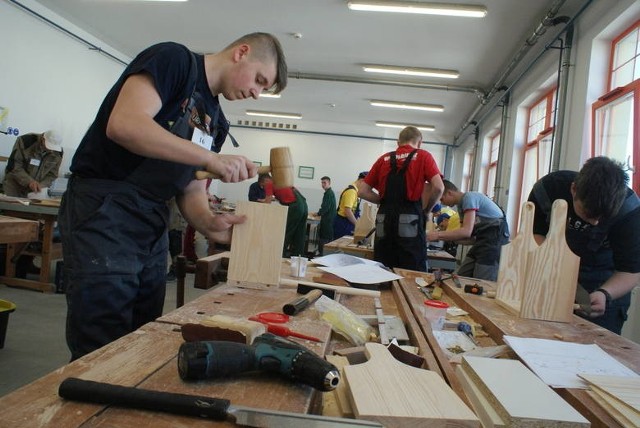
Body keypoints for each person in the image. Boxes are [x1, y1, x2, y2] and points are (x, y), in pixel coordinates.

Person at [58, 32, 287, 360]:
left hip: (152, 218)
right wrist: (209, 158)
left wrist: (209, 222)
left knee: (141, 330)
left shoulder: (216, 123)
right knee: (102, 335)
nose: (256, 92)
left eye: (264, 89)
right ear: (242, 52)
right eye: (260, 79)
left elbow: (190, 186)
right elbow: (125, 124)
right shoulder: (174, 61)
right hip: (104, 208)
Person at [528, 156, 640, 334]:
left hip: (605, 280)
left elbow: (630, 272)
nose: (595, 223)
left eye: (602, 217)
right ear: (573, 189)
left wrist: (605, 294)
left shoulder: (630, 212)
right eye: (588, 214)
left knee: (598, 346)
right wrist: (552, 266)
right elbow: (536, 233)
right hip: (555, 268)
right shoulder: (548, 190)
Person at [359, 126, 444, 272]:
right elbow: (439, 188)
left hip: (383, 219)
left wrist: (384, 200)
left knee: (383, 267)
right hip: (410, 219)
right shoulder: (424, 156)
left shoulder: (383, 159)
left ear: (398, 142)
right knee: (411, 269)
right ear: (420, 142)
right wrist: (427, 211)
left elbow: (362, 191)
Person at [427, 180, 509, 280]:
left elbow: (466, 231)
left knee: (481, 281)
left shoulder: (469, 197)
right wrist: (445, 238)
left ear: (449, 193)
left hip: (494, 240)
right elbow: (469, 238)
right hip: (482, 241)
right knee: (461, 276)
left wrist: (437, 235)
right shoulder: (461, 207)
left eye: (442, 199)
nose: (442, 203)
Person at [3, 130, 63, 197]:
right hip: (14, 185)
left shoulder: (58, 153)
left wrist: (42, 185)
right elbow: (14, 166)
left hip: (34, 190)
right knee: (11, 206)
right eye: (49, 146)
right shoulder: (26, 141)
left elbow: (52, 174)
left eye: (53, 148)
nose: (51, 150)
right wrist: (29, 181)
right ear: (43, 139)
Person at [274, 186, 309, 257]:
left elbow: (266, 202)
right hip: (304, 204)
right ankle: (298, 256)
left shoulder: (268, 183)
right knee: (299, 233)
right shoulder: (286, 183)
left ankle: (279, 254)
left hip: (296, 205)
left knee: (287, 231)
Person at [333, 171, 368, 239]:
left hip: (348, 223)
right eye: (367, 185)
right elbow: (348, 211)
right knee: (341, 247)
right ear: (362, 181)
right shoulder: (351, 192)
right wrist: (358, 225)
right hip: (343, 224)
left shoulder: (356, 191)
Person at [313, 176, 336, 255]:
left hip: (328, 220)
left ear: (329, 183)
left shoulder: (328, 194)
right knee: (326, 237)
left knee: (324, 237)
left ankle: (322, 254)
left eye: (324, 183)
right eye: (322, 183)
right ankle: (323, 253)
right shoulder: (328, 193)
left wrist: (318, 213)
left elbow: (325, 207)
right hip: (328, 219)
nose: (323, 184)